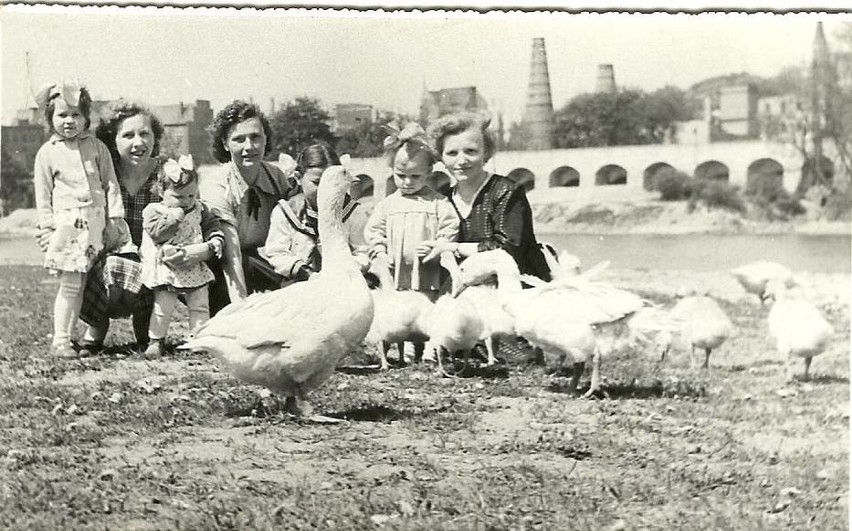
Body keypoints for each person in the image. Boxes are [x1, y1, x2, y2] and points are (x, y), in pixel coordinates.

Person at [32, 80, 125, 358]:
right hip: (67, 226)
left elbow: (110, 184)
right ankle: (61, 339)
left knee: (86, 283)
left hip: (96, 224)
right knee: (71, 283)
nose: (69, 121)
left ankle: (76, 335)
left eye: (76, 115)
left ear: (86, 118)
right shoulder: (47, 153)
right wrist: (47, 228)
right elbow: (43, 193)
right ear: (50, 119)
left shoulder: (97, 148)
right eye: (62, 115)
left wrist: (114, 220)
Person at [421, 111, 551, 281]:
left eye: (471, 151)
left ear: (486, 153)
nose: (462, 160)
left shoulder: (507, 191)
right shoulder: (442, 198)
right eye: (452, 153)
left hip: (515, 284)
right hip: (463, 286)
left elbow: (508, 249)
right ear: (441, 157)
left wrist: (453, 248)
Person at [200, 100, 294, 315]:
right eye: (238, 140)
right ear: (225, 144)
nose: (248, 147)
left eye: (255, 137)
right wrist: (240, 307)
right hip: (223, 265)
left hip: (262, 261)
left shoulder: (276, 176)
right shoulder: (217, 182)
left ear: (266, 139)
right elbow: (230, 253)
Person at [139, 155, 224, 358]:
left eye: (190, 196)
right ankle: (156, 340)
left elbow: (212, 225)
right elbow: (158, 233)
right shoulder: (155, 210)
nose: (186, 202)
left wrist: (215, 240)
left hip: (194, 265)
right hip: (168, 266)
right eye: (179, 197)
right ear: (161, 192)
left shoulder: (200, 209)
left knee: (200, 305)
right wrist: (174, 217)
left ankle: (200, 339)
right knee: (163, 307)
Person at [364, 122, 459, 296]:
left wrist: (438, 246)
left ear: (429, 172)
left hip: (429, 274)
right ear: (392, 170)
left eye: (415, 176)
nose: (407, 182)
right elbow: (374, 231)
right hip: (395, 275)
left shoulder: (438, 203)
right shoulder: (388, 205)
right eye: (401, 176)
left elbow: (450, 228)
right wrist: (379, 251)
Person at [260, 144, 369, 285]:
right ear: (298, 178)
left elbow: (363, 251)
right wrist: (307, 273)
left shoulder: (351, 211)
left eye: (331, 182)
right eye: (317, 182)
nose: (325, 189)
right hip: (302, 281)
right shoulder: (286, 211)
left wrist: (343, 271)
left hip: (344, 280)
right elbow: (277, 253)